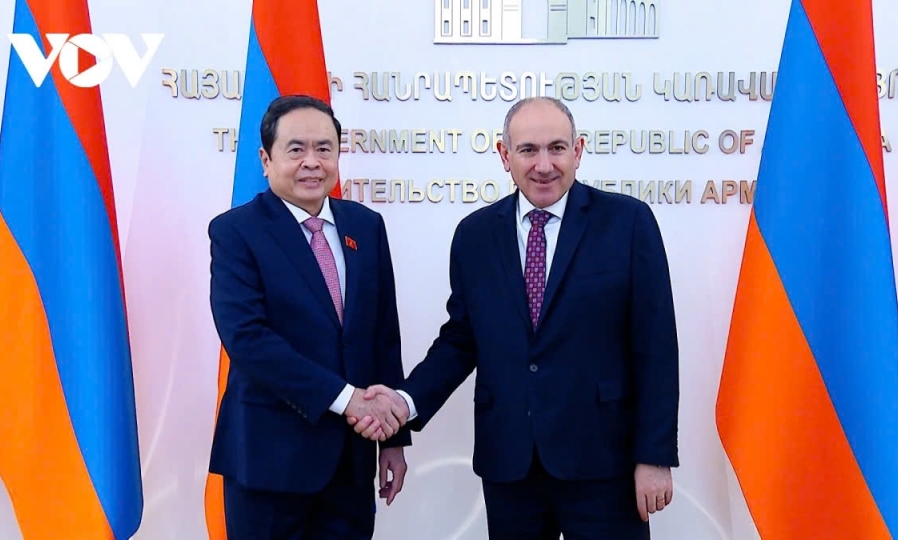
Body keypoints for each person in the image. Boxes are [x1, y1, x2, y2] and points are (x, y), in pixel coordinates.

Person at [351, 96, 680, 539]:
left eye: (557, 148)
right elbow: (461, 340)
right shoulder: (474, 235)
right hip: (510, 464)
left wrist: (654, 456)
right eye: (528, 150)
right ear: (505, 156)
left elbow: (656, 347)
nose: (544, 164)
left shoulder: (628, 223)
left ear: (578, 151)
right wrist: (404, 403)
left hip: (604, 463)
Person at [208, 94, 413, 540]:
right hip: (268, 462)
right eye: (296, 149)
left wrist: (393, 438)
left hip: (351, 462)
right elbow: (248, 339)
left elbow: (382, 337)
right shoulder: (235, 232)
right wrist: (347, 399)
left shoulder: (366, 226)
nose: (312, 162)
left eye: (324, 148)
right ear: (266, 159)